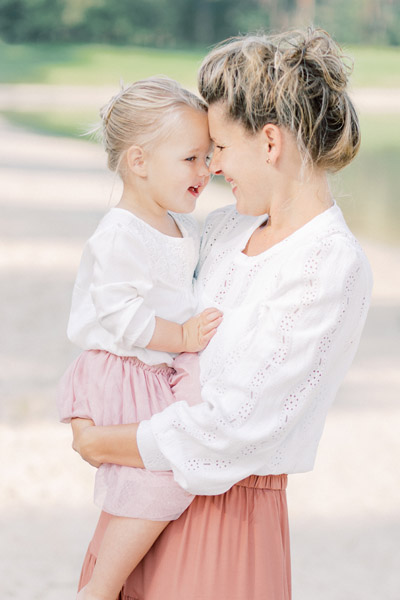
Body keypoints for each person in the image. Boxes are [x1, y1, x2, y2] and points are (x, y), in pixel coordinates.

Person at [71, 28, 373, 600]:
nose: (212, 168)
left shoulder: (330, 265)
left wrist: (103, 443)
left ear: (270, 143)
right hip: (142, 505)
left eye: (220, 149)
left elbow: (235, 426)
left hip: (225, 527)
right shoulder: (223, 229)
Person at [56, 76, 223, 600]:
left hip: (155, 367)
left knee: (161, 467)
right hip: (119, 369)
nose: (208, 170)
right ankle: (101, 589)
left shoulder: (179, 226)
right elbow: (120, 314)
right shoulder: (120, 232)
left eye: (210, 156)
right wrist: (184, 336)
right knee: (159, 478)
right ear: (139, 161)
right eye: (192, 158)